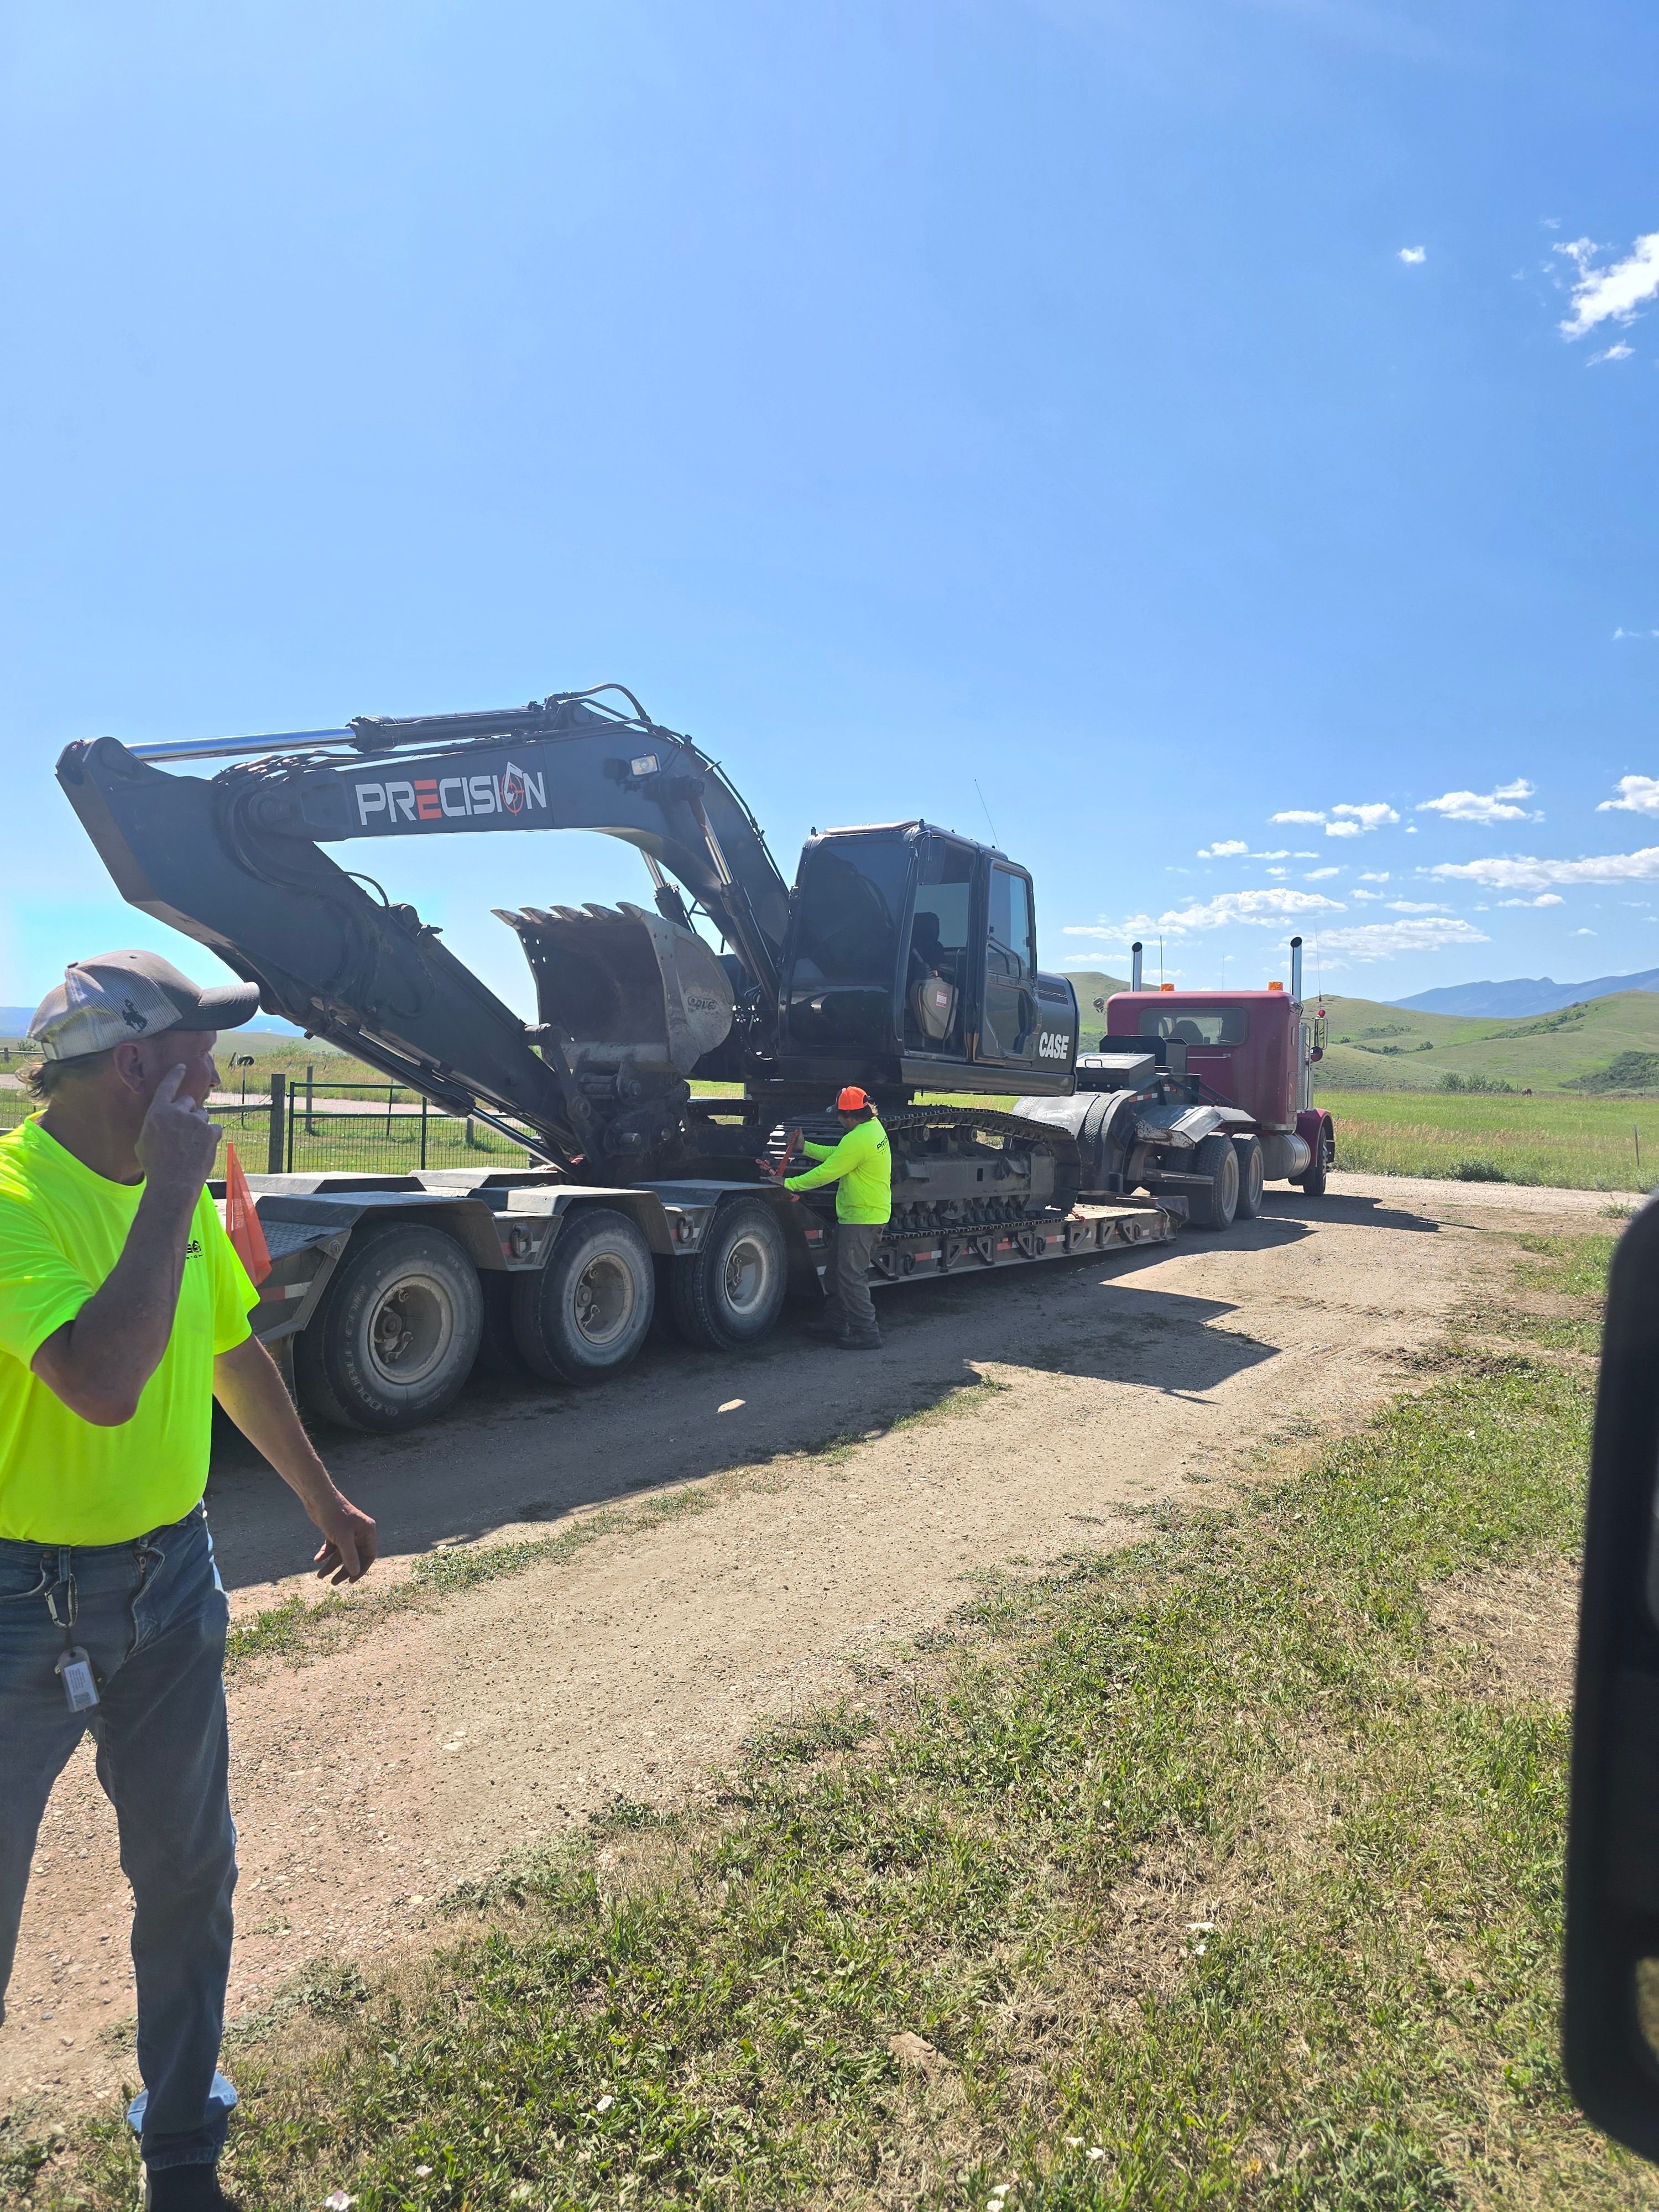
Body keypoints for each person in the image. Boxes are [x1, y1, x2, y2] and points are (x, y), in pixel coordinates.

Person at [0, 952, 378, 2212]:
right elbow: (103, 1384)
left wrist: (321, 1496)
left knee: (187, 1877)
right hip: (17, 1604)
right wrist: (172, 1190)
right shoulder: (12, 1196)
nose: (214, 1084)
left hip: (170, 1582)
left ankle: (179, 2151)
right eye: (198, 1060)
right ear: (135, 1068)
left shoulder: (178, 1195)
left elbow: (227, 1348)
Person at [772, 1086, 893, 1350]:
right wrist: (805, 1147)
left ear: (849, 1116)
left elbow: (828, 1172)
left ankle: (867, 1332)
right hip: (861, 1215)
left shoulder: (859, 1139)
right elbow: (839, 1156)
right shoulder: (871, 1129)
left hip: (862, 1218)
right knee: (837, 1275)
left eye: (839, 1115)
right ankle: (836, 1322)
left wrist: (789, 1184)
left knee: (850, 1276)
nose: (838, 1119)